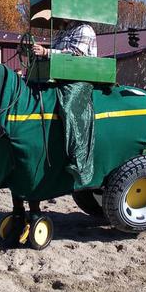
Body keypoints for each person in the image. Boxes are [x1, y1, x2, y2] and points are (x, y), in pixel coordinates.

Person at [32, 20, 97, 185]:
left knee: (69, 109)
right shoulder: (63, 31)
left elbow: (75, 53)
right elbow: (56, 52)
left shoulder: (85, 29)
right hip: (60, 77)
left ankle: (78, 159)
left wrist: (46, 52)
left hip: (80, 78)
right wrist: (33, 51)